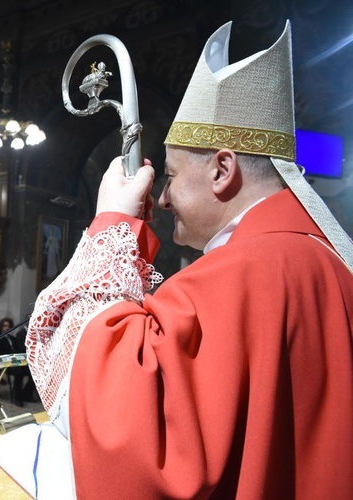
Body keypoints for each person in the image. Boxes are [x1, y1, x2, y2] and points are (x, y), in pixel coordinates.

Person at [26, 22, 353, 498]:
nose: (161, 200)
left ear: (223, 170)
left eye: (173, 176)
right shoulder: (323, 257)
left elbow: (118, 417)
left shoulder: (240, 274)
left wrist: (111, 224)